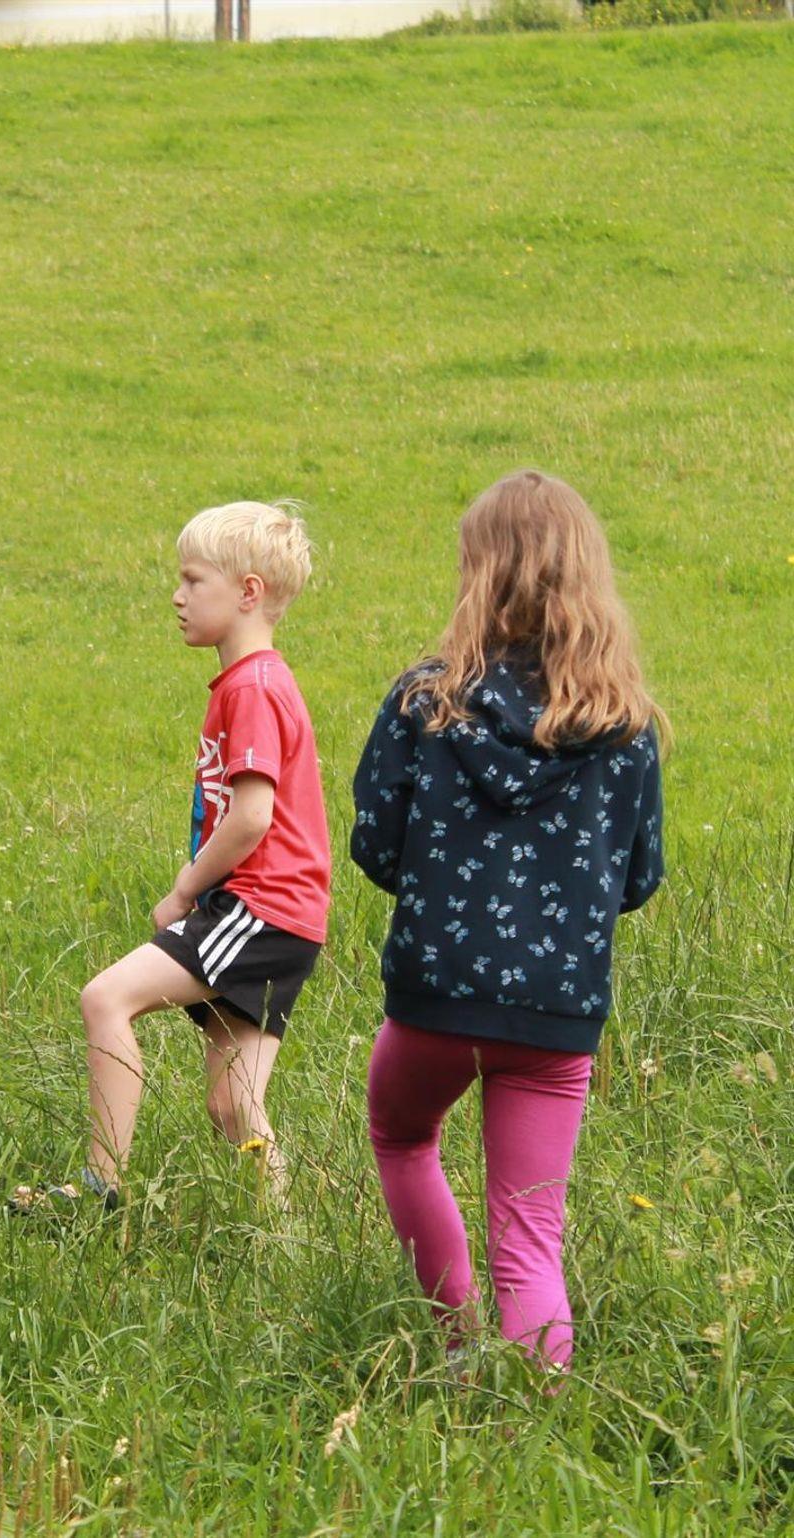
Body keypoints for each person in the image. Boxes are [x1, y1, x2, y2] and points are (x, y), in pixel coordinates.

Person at [352, 469, 663, 1372]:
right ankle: (539, 1415)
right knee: (530, 1237)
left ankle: (458, 1348)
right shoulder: (626, 725)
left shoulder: (423, 702)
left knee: (402, 1136)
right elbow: (638, 877)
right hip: (556, 1015)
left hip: (436, 998)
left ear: (478, 572)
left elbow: (375, 844)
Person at [22, 501, 327, 1215]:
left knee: (106, 999)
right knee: (233, 1104)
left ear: (248, 592)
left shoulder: (253, 687)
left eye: (193, 580)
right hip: (288, 918)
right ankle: (284, 1235)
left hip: (259, 907)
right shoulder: (255, 681)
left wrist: (186, 889)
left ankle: (99, 1187)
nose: (177, 596)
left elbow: (252, 817)